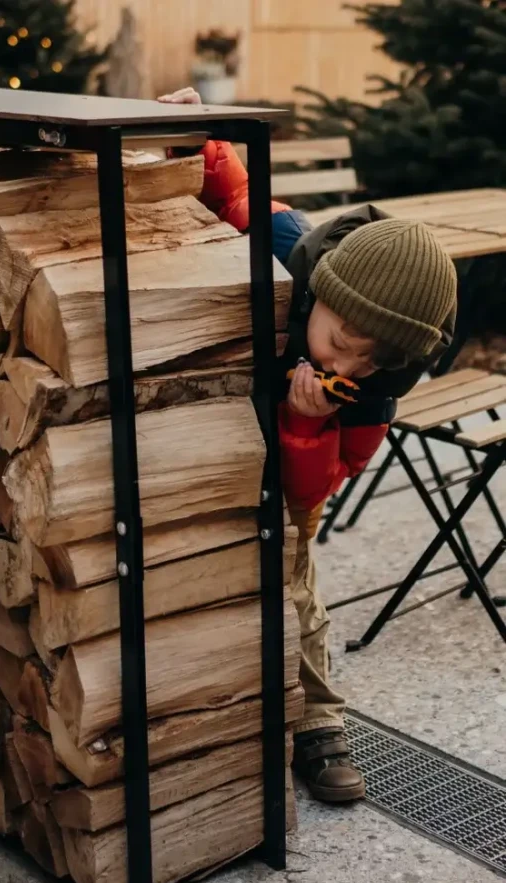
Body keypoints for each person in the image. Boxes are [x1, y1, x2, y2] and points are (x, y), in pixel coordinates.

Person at [159, 86, 457, 803]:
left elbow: (325, 486)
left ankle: (319, 725)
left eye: (368, 363)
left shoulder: (372, 388)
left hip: (290, 470)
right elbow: (238, 194)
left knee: (296, 588)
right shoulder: (293, 248)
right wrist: (200, 137)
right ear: (321, 289)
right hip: (210, 447)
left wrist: (307, 424)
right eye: (340, 344)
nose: (343, 367)